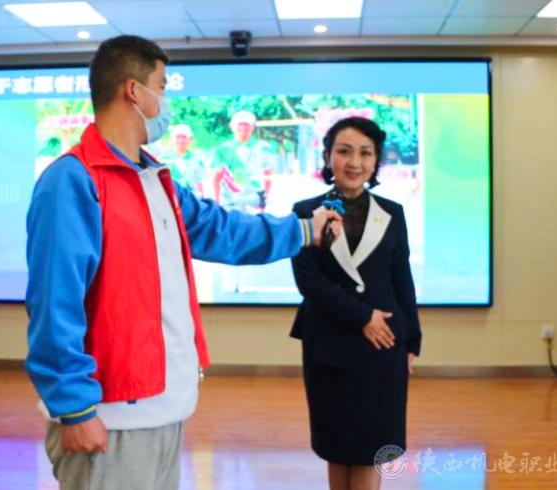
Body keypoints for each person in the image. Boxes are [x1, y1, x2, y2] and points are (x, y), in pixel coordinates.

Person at [25, 35, 342, 490]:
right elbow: (55, 303)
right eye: (162, 87)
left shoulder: (156, 179)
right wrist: (74, 407)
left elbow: (222, 231)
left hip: (164, 406)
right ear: (134, 92)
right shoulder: (73, 181)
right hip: (108, 416)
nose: (167, 102)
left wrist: (304, 231)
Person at [290, 117, 422, 490]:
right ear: (327, 156)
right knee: (338, 444)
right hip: (329, 341)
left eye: (365, 153)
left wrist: (412, 339)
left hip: (382, 343)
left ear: (376, 161)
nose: (354, 162)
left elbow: (402, 278)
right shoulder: (305, 212)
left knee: (371, 446)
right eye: (344, 151)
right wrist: (362, 316)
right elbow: (307, 280)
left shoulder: (392, 213)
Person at [212, 110, 279, 211]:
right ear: (231, 126)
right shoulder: (223, 149)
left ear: (253, 127)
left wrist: (266, 196)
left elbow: (268, 173)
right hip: (230, 199)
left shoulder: (263, 147)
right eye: (239, 124)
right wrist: (217, 201)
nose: (243, 128)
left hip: (254, 197)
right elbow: (217, 177)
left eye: (246, 125)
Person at [159, 123, 208, 196]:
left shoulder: (196, 160)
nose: (181, 140)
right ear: (172, 138)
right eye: (178, 137)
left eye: (184, 137)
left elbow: (199, 183)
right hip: (169, 196)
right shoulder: (163, 159)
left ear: (190, 139)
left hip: (190, 197)